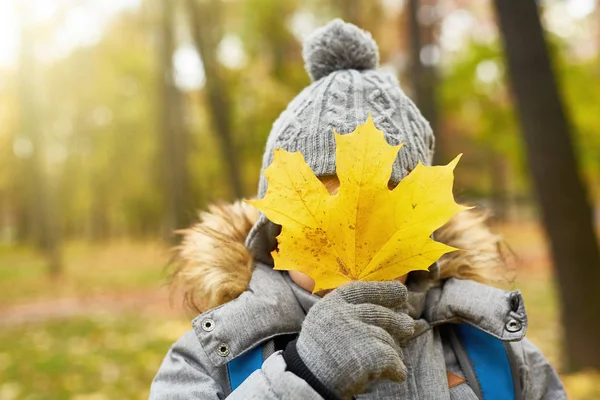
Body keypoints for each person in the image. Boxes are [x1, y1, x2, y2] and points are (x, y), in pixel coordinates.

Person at [150, 19, 565, 400]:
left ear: (421, 228)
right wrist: (303, 375)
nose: (351, 235)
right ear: (274, 229)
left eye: (381, 220)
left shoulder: (495, 354)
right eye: (319, 221)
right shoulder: (215, 357)